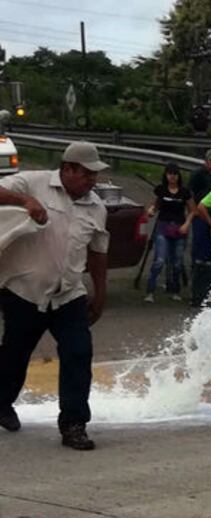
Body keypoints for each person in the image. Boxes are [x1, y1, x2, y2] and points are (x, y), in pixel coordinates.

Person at [0, 141, 109, 450]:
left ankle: (74, 424)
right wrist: (25, 201)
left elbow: (98, 252)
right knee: (13, 355)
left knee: (78, 353)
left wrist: (100, 293)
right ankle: (1, 401)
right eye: (86, 174)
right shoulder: (32, 182)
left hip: (69, 295)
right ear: (67, 169)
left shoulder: (96, 206)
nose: (92, 180)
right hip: (23, 292)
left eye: (95, 175)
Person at [145, 163, 196, 303]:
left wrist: (187, 224)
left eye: (174, 174)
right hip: (163, 226)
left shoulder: (185, 192)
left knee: (177, 262)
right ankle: (150, 290)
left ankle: (175, 290)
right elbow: (155, 205)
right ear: (166, 175)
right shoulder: (161, 190)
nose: (172, 177)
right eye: (169, 174)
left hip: (179, 227)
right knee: (159, 260)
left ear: (178, 176)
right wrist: (151, 211)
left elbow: (193, 210)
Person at [188, 149, 211, 306]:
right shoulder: (198, 175)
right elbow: (189, 193)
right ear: (206, 161)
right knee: (199, 251)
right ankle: (196, 288)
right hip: (200, 215)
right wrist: (193, 211)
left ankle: (209, 286)